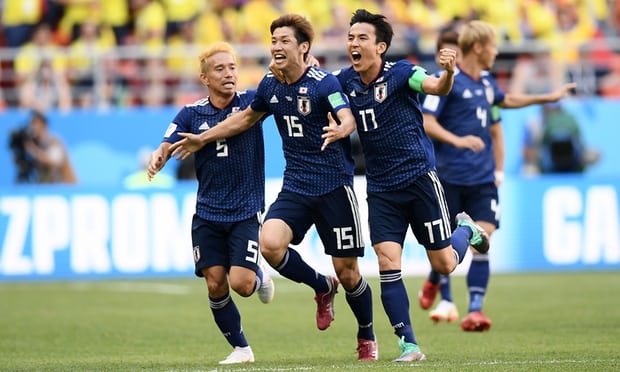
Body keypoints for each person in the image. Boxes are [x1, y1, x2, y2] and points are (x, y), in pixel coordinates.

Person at [169, 14, 378, 361]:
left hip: (334, 187)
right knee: (269, 244)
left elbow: (346, 114)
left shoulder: (324, 83)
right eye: (274, 41)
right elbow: (245, 118)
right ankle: (321, 286)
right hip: (296, 185)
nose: (276, 47)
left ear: (304, 47)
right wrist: (202, 138)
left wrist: (344, 127)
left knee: (349, 271)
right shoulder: (270, 86)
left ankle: (366, 335)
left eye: (284, 41)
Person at [333, 9, 488, 362]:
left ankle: (464, 228)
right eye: (350, 37)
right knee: (388, 262)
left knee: (446, 263)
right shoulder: (345, 81)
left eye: (361, 38)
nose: (353, 44)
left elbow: (435, 85)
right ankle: (409, 345)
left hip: (419, 180)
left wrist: (448, 72)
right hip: (382, 188)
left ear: (381, 46)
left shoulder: (402, 73)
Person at [418, 22, 576, 332]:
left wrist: (548, 97)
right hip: (448, 178)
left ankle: (475, 310)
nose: (497, 51)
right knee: (446, 246)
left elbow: (508, 101)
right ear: (478, 47)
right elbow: (427, 121)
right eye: (493, 45)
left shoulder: (487, 83)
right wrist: (458, 140)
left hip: (481, 180)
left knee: (483, 239)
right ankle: (438, 281)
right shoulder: (449, 82)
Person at [146, 41, 275, 365]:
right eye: (220, 69)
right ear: (204, 77)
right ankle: (242, 349)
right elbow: (167, 141)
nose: (229, 74)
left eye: (232, 67)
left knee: (242, 285)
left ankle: (259, 274)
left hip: (245, 209)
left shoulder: (251, 103)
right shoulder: (191, 113)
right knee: (215, 283)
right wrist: (158, 156)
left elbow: (283, 88)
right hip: (207, 213)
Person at [9, 110, 77, 184]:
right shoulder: (36, 144)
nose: (32, 128)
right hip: (47, 187)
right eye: (31, 125)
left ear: (44, 125)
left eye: (35, 124)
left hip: (64, 188)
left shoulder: (54, 141)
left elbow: (53, 160)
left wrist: (31, 149)